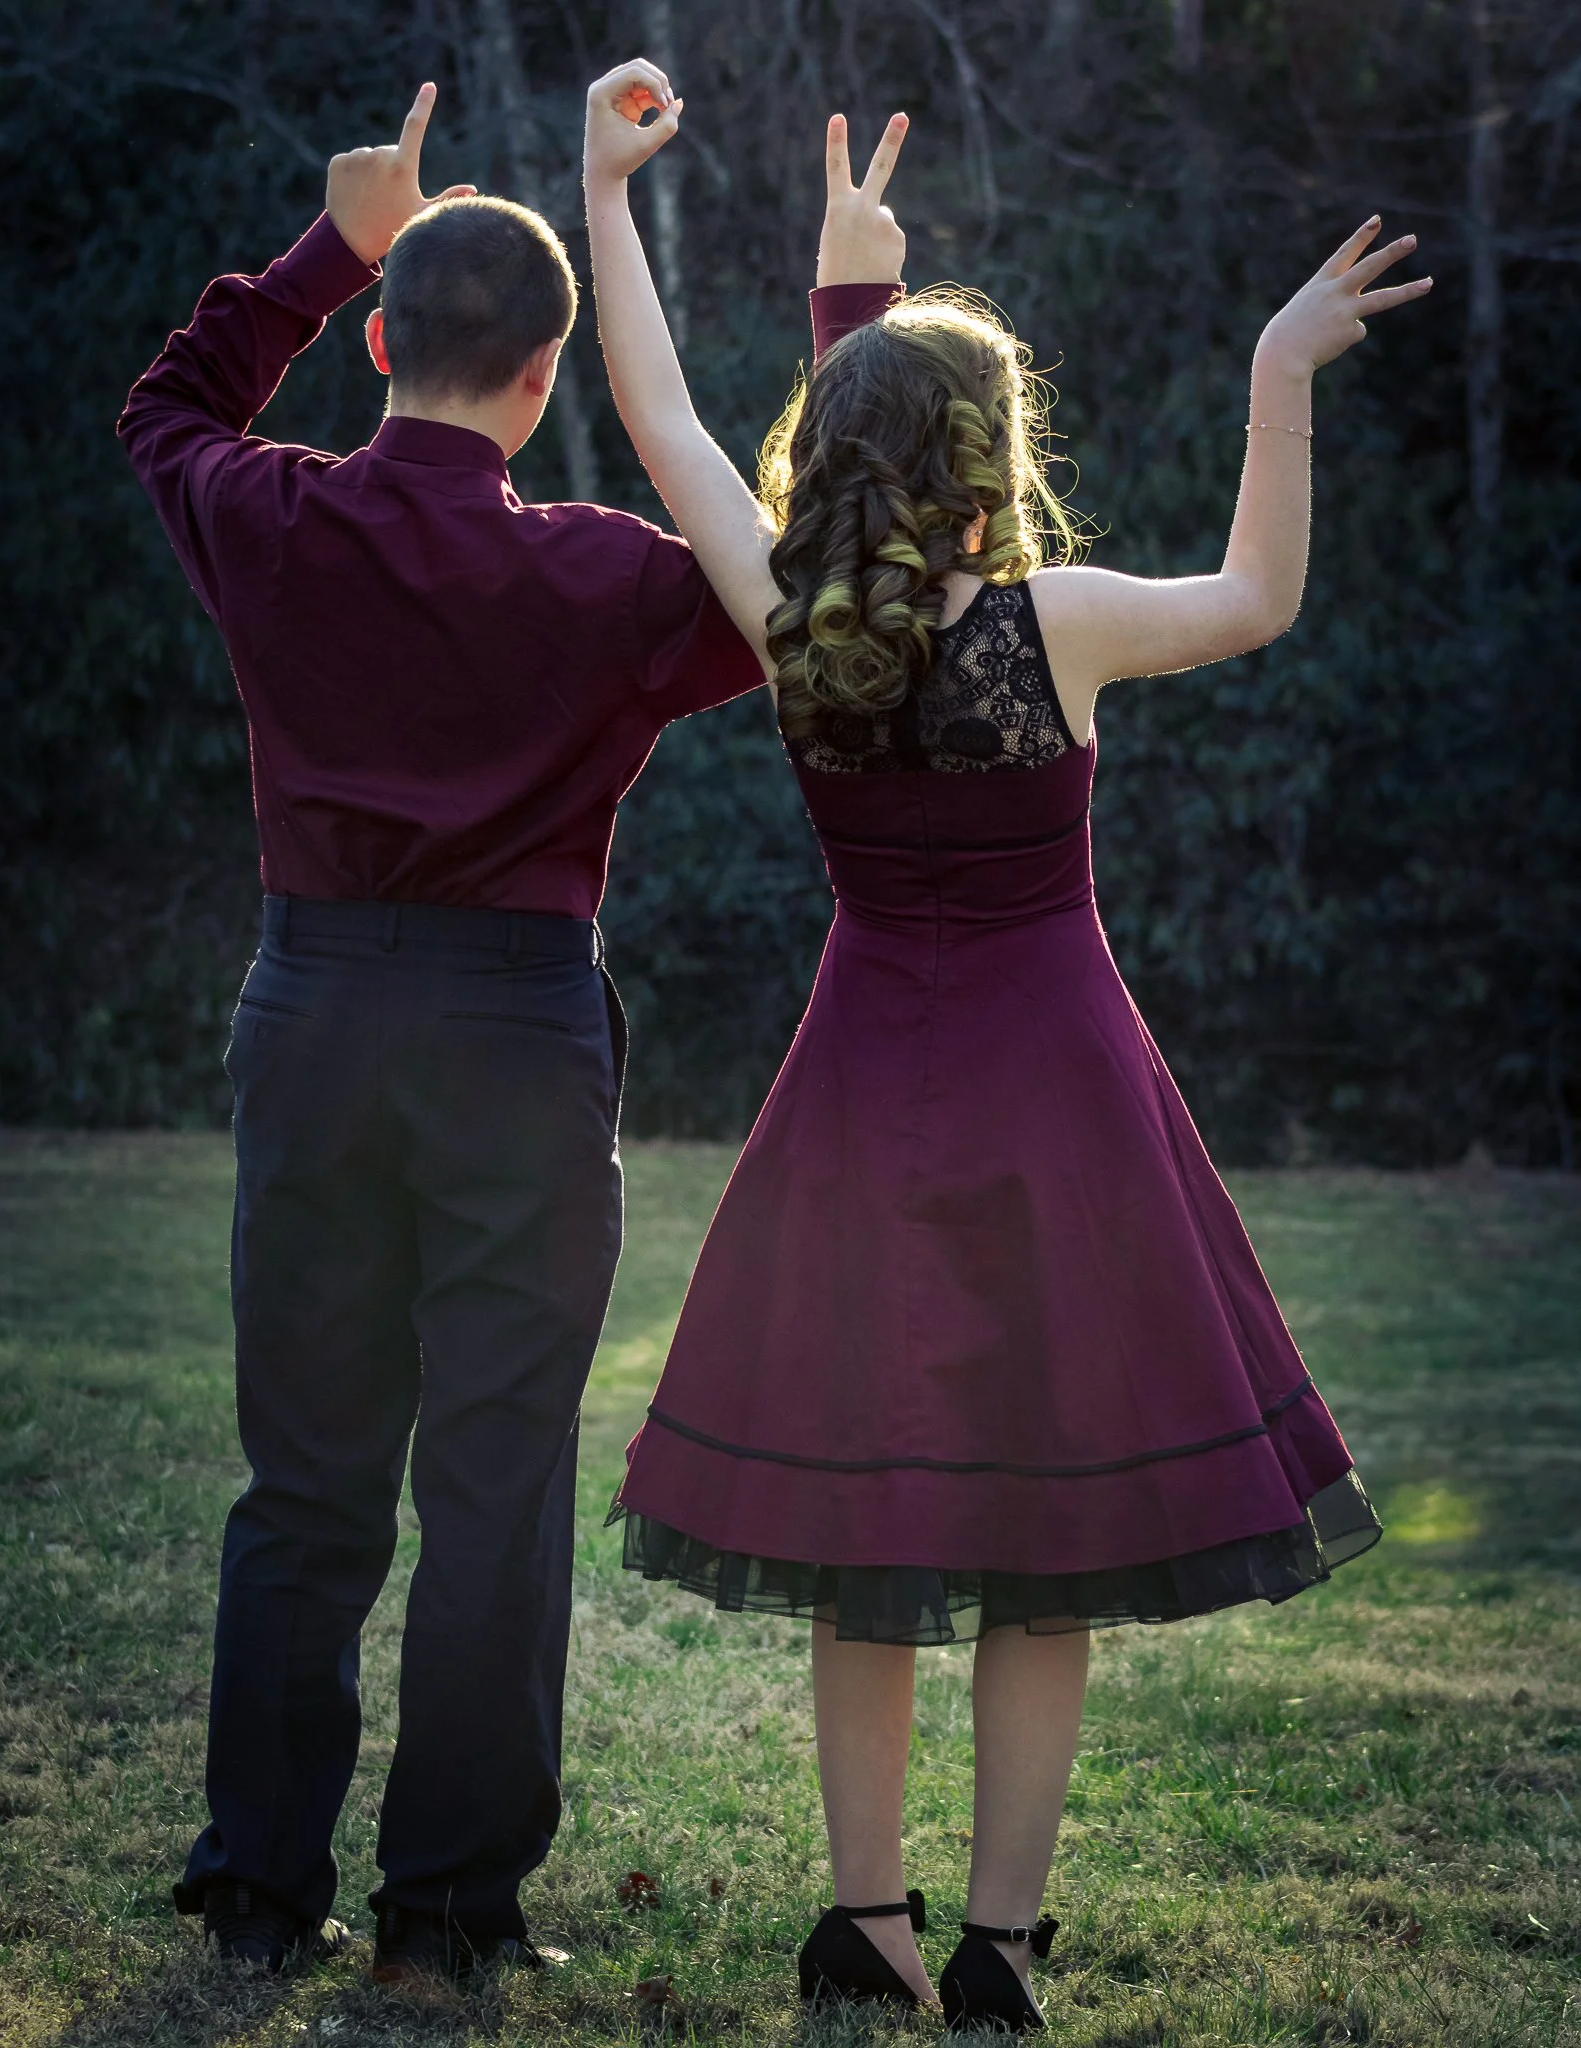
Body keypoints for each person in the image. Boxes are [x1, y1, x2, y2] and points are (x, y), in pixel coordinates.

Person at [583, 59, 1432, 2032]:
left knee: (864, 1529)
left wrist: (618, 202)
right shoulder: (1054, 620)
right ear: (994, 453)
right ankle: (998, 1945)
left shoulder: (796, 614)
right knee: (1044, 1533)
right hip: (1062, 1101)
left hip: (861, 1091)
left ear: (841, 450)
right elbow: (1261, 593)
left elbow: (660, 417)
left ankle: (862, 1922)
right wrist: (1274, 376)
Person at [115, 79, 863, 1986]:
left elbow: (167, 410)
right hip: (517, 1035)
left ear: (380, 345)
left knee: (304, 1474)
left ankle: (259, 1886)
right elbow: (786, 580)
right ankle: (445, 1911)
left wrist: (331, 237)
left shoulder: (272, 516)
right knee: (498, 1478)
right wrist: (843, 335)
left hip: (313, 1010)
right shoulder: (608, 573)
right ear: (542, 382)